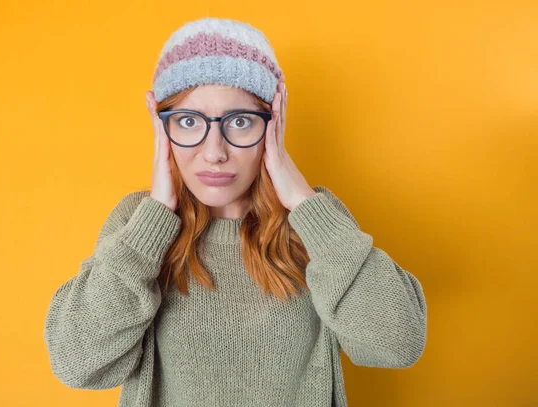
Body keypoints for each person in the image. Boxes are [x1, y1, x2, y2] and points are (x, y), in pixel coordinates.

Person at [43, 17, 427, 407]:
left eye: (240, 122)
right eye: (189, 121)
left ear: (273, 123)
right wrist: (156, 216)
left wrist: (305, 204)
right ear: (161, 126)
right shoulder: (139, 223)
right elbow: (78, 363)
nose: (214, 152)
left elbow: (397, 345)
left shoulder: (313, 221)